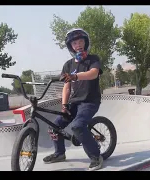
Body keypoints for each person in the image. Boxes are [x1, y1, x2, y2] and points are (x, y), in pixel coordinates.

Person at [43, 28, 104, 171]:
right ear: (71, 46)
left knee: (77, 126)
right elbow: (67, 87)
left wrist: (76, 76)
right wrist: (64, 104)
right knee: (54, 126)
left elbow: (93, 74)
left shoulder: (93, 59)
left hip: (90, 102)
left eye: (81, 41)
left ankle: (96, 157)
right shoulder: (68, 65)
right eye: (75, 43)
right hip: (74, 102)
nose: (78, 45)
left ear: (86, 42)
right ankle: (59, 154)